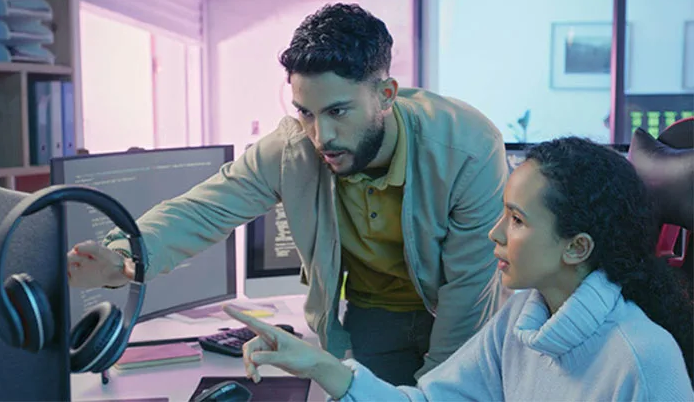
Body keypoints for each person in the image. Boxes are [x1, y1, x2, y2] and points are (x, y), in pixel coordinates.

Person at [67, 3, 509, 385]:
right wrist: (125, 256)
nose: (322, 136)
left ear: (386, 95)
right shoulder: (293, 147)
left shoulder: (467, 149)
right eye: (306, 112)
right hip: (374, 316)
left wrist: (437, 387)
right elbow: (202, 210)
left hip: (458, 314)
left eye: (338, 111)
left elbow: (468, 292)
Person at [222, 136, 694, 401]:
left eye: (517, 220)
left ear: (577, 247)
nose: (495, 233)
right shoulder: (523, 319)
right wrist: (320, 366)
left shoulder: (644, 361)